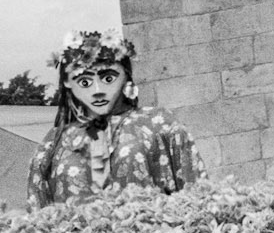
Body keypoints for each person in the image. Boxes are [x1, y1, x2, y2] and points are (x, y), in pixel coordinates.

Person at [28, 27, 200, 207]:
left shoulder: (159, 123)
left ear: (126, 75)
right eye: (85, 81)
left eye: (108, 79)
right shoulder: (55, 140)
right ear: (67, 82)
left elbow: (198, 192)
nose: (98, 91)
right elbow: (38, 209)